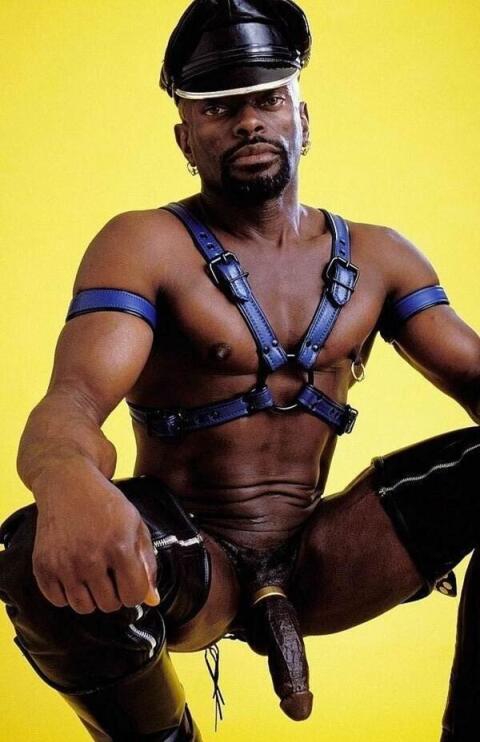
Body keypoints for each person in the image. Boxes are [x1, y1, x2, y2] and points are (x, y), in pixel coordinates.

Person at [0, 0, 479, 739]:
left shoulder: (381, 257)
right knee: (35, 553)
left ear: (302, 119)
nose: (249, 121)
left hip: (333, 556)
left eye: (268, 100)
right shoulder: (144, 246)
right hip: (192, 562)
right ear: (186, 138)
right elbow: (72, 401)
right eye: (220, 109)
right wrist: (65, 478)